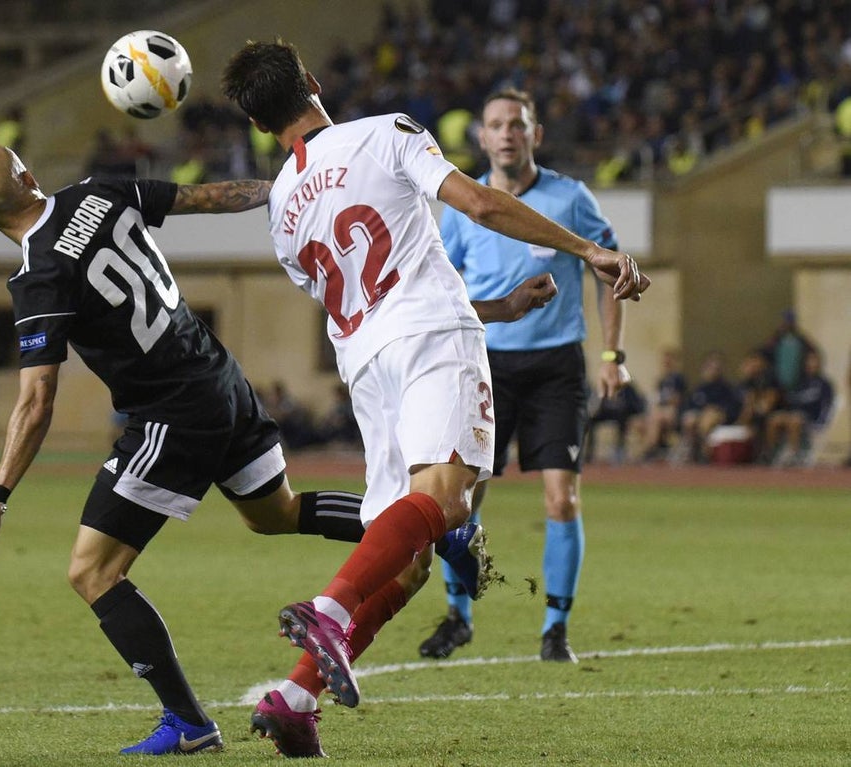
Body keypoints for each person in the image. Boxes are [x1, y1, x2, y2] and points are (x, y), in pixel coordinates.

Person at [222, 40, 647, 757]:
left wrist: (502, 308)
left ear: (263, 127)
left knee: (411, 560)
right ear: (315, 83)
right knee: (449, 502)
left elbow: (373, 292)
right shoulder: (386, 132)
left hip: (366, 364)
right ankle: (327, 612)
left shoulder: (283, 213)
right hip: (431, 342)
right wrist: (590, 252)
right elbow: (480, 203)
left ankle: (296, 695)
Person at [0, 144, 376, 756]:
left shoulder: (38, 276)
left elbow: (35, 401)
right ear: (30, 175)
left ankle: (187, 722)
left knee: (93, 572)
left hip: (171, 415)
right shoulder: (98, 192)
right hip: (221, 379)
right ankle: (422, 525)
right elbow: (211, 197)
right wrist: (293, 185)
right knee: (277, 515)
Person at [429, 88, 633, 664]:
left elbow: (609, 269)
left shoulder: (570, 199)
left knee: (561, 498)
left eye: (517, 124)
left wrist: (612, 355)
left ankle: (555, 629)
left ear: (534, 134)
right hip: (487, 365)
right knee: (461, 501)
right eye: (496, 125)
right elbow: (443, 286)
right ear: (484, 137)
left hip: (556, 367)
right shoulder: (466, 205)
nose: (507, 134)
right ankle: (458, 616)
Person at [765, 349, 835, 467]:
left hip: (812, 418)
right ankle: (772, 452)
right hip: (795, 414)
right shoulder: (800, 382)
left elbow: (827, 406)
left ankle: (794, 454)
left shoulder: (824, 384)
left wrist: (821, 422)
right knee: (774, 419)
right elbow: (791, 400)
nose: (811, 364)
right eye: (809, 360)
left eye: (814, 360)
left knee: (795, 420)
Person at [674, 351, 743, 464]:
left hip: (718, 418)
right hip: (700, 416)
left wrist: (715, 410)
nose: (712, 370)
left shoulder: (727, 389)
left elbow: (732, 408)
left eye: (716, 367)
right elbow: (689, 406)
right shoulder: (699, 389)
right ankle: (689, 450)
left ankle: (704, 452)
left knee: (709, 417)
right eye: (709, 367)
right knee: (690, 419)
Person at [641, 348, 687, 462]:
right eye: (665, 359)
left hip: (675, 412)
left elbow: (677, 400)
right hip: (661, 411)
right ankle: (658, 446)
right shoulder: (661, 380)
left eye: (669, 359)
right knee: (642, 421)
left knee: (657, 418)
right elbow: (656, 398)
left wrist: (663, 402)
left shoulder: (678, 378)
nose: (666, 362)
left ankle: (650, 450)